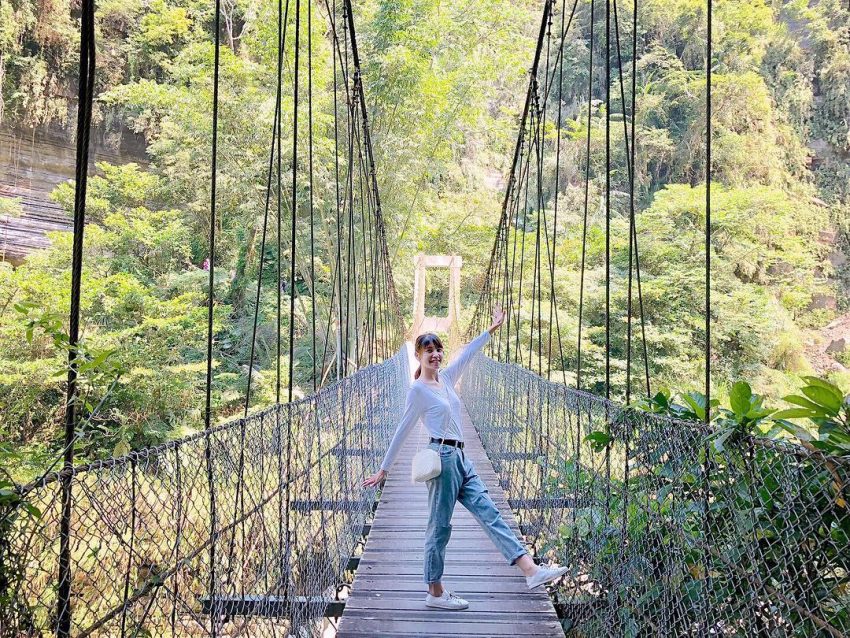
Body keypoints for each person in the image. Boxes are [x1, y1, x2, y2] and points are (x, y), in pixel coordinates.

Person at [362, 305, 569, 611]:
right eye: (428, 350)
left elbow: (468, 355)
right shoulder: (417, 391)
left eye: (438, 350)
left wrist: (493, 327)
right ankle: (435, 591)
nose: (435, 355)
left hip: (462, 458)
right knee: (440, 527)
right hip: (442, 459)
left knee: (490, 512)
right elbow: (402, 430)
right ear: (418, 355)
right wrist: (384, 470)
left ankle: (531, 571)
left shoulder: (445, 379)